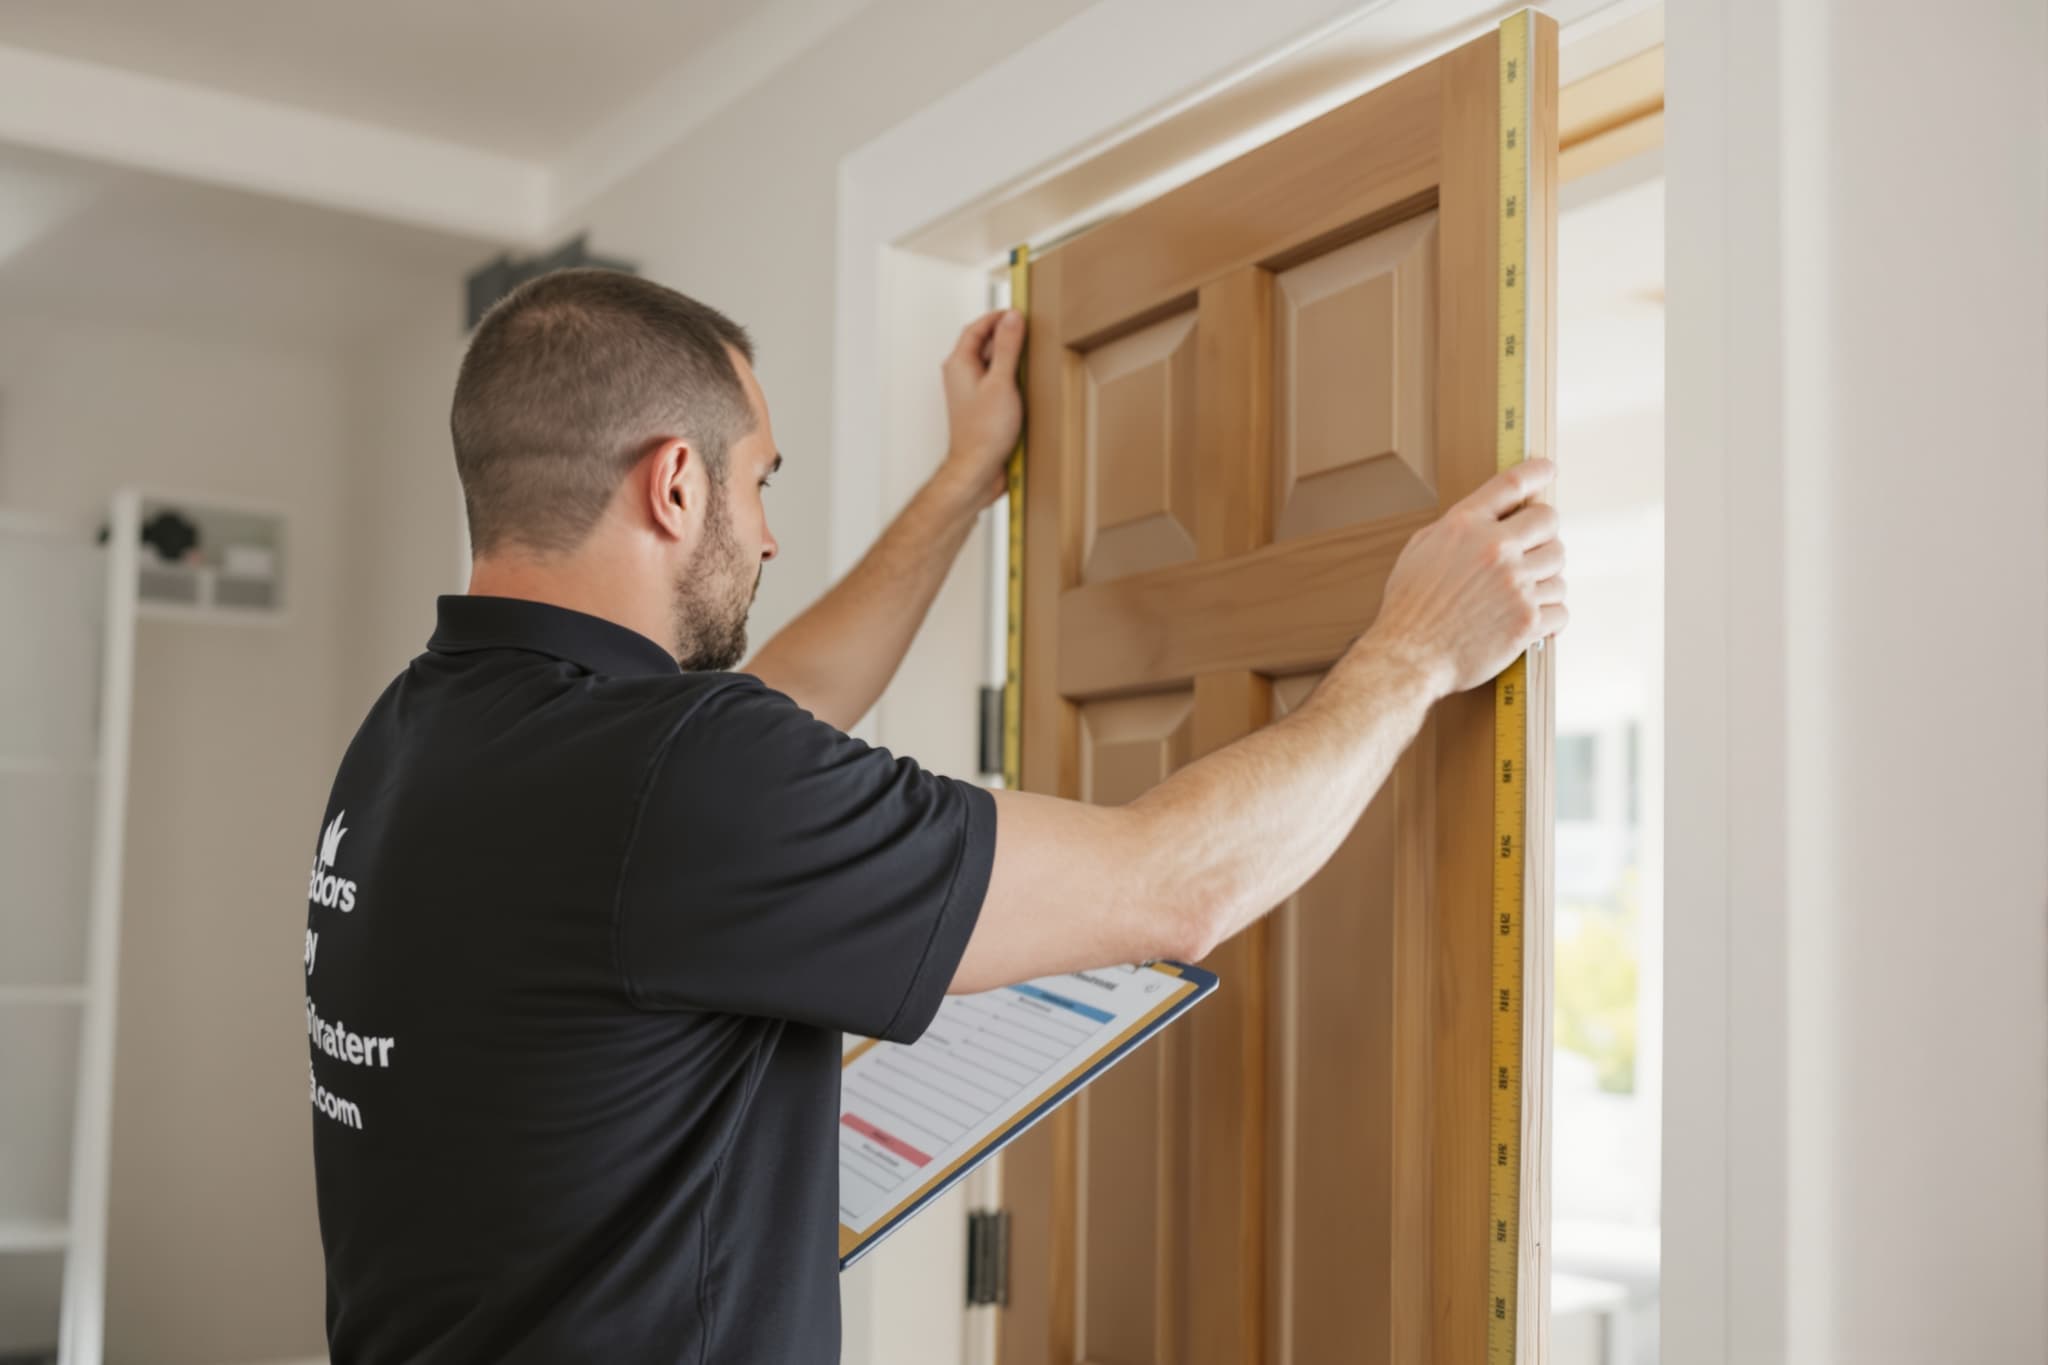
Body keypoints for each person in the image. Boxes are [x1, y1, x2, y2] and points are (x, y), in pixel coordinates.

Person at [305, 268, 1565, 1363]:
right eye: (759, 483)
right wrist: (1412, 654)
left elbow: (768, 711)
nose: (767, 536)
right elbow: (1173, 886)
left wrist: (966, 480)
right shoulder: (673, 778)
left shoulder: (423, 736)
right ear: (674, 484)